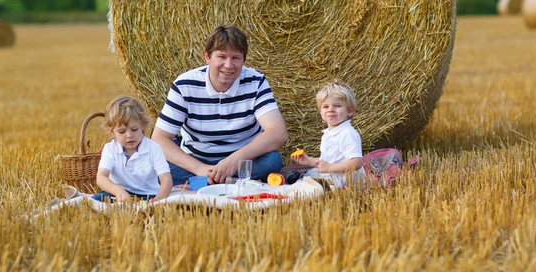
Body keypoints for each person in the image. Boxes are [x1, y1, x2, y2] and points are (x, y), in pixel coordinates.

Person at [152, 25, 289, 186]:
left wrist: (234, 161)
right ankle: (228, 182)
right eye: (221, 57)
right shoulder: (185, 84)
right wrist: (199, 168)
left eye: (236, 58)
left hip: (241, 160)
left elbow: (278, 132)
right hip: (196, 159)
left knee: (271, 162)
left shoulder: (256, 81)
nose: (229, 65)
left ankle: (202, 184)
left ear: (244, 59)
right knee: (155, 165)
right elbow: (159, 138)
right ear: (207, 57)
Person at [94, 96, 172, 202]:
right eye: (122, 132)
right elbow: (101, 177)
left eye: (134, 129)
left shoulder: (154, 148)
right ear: (112, 132)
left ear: (143, 126)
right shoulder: (110, 149)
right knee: (94, 201)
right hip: (117, 194)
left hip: (148, 195)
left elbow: (166, 179)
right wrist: (118, 191)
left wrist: (159, 199)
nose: (129, 135)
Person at [291, 80, 365, 187]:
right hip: (333, 176)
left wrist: (329, 168)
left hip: (346, 181)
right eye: (326, 107)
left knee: (305, 184)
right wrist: (309, 161)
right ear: (320, 111)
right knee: (303, 178)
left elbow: (356, 163)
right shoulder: (329, 133)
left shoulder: (347, 133)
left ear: (349, 111)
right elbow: (327, 162)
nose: (331, 110)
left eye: (337, 106)